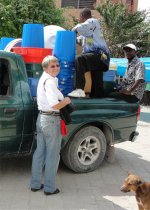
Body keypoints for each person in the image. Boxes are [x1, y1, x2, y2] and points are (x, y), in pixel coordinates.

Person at [30, 55, 71, 195]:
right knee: (52, 155)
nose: (56, 68)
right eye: (52, 66)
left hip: (41, 118)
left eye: (57, 65)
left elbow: (56, 96)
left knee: (39, 152)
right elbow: (54, 105)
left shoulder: (44, 78)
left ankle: (35, 184)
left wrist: (62, 97)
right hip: (51, 120)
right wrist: (65, 102)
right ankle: (49, 188)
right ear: (45, 68)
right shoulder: (50, 82)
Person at [68, 8, 110, 98]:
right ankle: (98, 97)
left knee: (79, 59)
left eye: (80, 18)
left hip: (100, 55)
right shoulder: (89, 33)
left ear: (82, 17)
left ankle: (79, 89)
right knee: (96, 80)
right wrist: (72, 37)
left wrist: (73, 30)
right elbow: (79, 40)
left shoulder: (92, 21)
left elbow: (79, 28)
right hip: (102, 58)